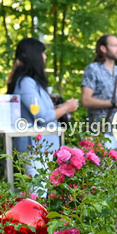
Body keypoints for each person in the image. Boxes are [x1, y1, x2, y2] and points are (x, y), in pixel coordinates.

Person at [6, 38, 78, 176]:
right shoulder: (26, 82)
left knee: (43, 193)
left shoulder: (32, 82)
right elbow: (42, 116)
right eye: (42, 53)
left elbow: (44, 111)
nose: (45, 57)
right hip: (34, 149)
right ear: (34, 56)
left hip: (43, 149)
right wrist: (66, 108)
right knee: (37, 194)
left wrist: (61, 105)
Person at [80, 34, 117, 160]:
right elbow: (85, 100)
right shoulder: (93, 69)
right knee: (103, 176)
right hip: (101, 134)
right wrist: (115, 102)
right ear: (103, 48)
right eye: (114, 45)